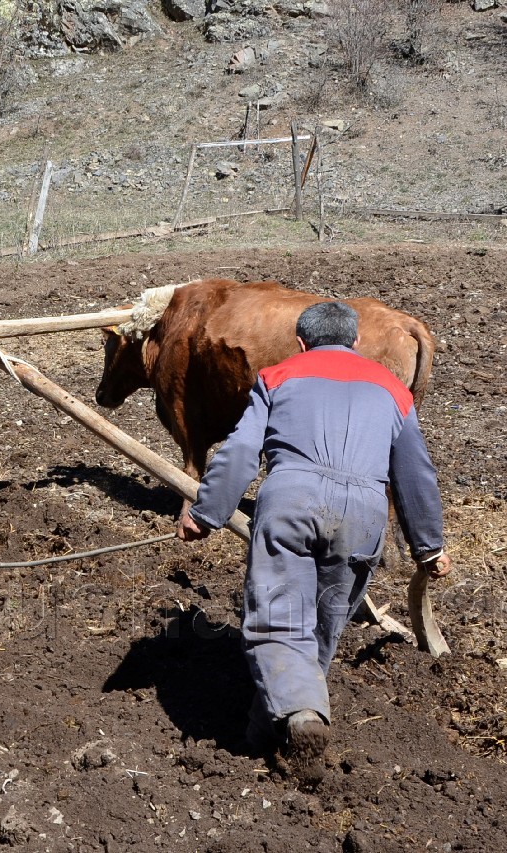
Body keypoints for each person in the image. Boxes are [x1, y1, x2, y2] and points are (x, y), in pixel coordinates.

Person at [176, 301, 450, 788]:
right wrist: (427, 546)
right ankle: (266, 735)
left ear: (301, 343)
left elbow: (240, 450)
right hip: (364, 516)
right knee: (323, 628)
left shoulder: (277, 375)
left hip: (290, 504)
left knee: (279, 621)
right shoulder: (390, 388)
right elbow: (415, 472)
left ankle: (302, 716)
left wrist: (207, 513)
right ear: (357, 343)